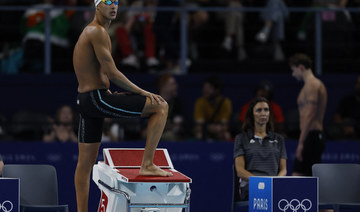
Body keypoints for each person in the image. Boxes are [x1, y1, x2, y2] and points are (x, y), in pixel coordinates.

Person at [72, 1, 172, 211]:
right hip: (95, 99)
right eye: (107, 1)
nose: (113, 5)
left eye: (116, 1)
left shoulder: (97, 31)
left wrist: (106, 91)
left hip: (87, 100)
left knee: (85, 165)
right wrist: (143, 92)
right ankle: (147, 164)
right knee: (160, 106)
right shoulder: (96, 31)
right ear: (97, 6)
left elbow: (97, 72)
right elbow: (112, 72)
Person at [233, 97, 287, 201]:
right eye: (259, 110)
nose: (263, 113)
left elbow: (283, 170)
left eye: (266, 110)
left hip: (273, 186)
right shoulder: (241, 139)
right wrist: (261, 182)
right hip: (251, 186)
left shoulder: (279, 139)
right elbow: (240, 171)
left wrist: (275, 182)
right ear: (252, 115)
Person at [289, 53, 327, 176]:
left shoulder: (313, 85)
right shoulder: (308, 86)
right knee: (308, 178)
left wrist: (301, 143)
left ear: (300, 67)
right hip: (310, 136)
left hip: (312, 136)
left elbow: (309, 115)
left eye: (293, 70)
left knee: (297, 176)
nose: (293, 74)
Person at [193, 76, 232, 141]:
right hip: (205, 130)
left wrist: (218, 128)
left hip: (219, 130)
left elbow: (225, 124)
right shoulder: (200, 102)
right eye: (204, 87)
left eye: (209, 88)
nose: (205, 90)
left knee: (226, 135)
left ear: (217, 90)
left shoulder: (225, 102)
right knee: (199, 133)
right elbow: (199, 124)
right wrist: (210, 128)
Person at [156, 73, 186, 141]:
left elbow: (181, 126)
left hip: (171, 134)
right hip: (154, 132)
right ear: (163, 86)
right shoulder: (152, 102)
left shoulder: (178, 103)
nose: (176, 86)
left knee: (169, 136)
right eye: (173, 84)